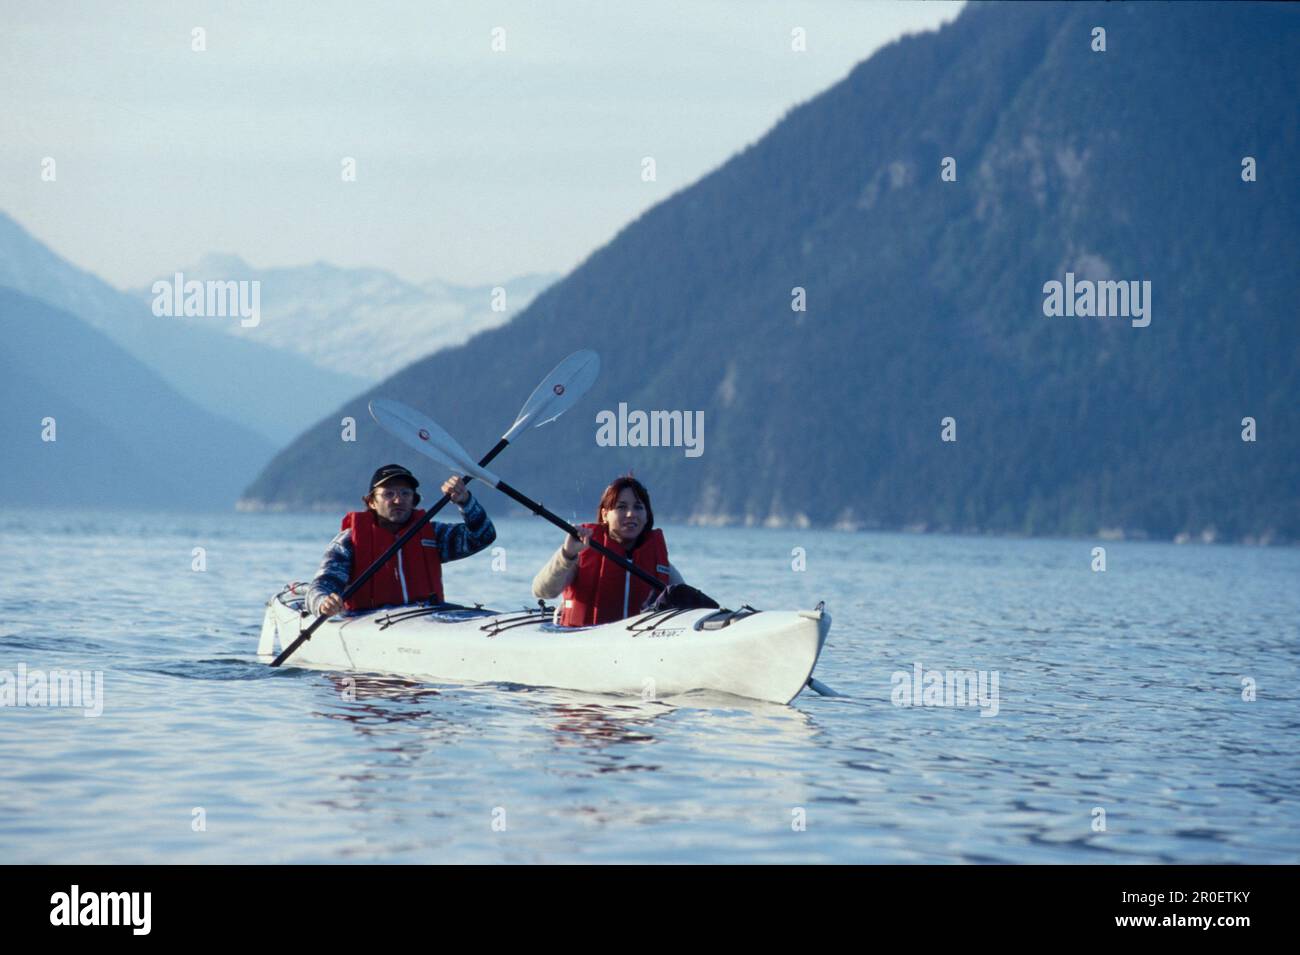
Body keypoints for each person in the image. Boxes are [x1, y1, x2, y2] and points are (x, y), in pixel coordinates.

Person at [308, 463, 495, 616]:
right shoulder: (349, 542)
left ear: (414, 500)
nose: (398, 500)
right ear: (372, 501)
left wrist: (465, 501)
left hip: (428, 621)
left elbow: (482, 536)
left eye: (405, 493)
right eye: (389, 494)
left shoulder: (432, 533)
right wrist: (323, 603)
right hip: (368, 622)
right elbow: (323, 584)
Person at [533, 475, 684, 626]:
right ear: (605, 515)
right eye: (621, 507)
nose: (631, 514)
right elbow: (542, 591)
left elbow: (688, 603)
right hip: (582, 640)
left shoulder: (660, 563)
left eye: (638, 507)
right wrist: (566, 554)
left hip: (637, 643)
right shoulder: (580, 553)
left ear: (647, 516)